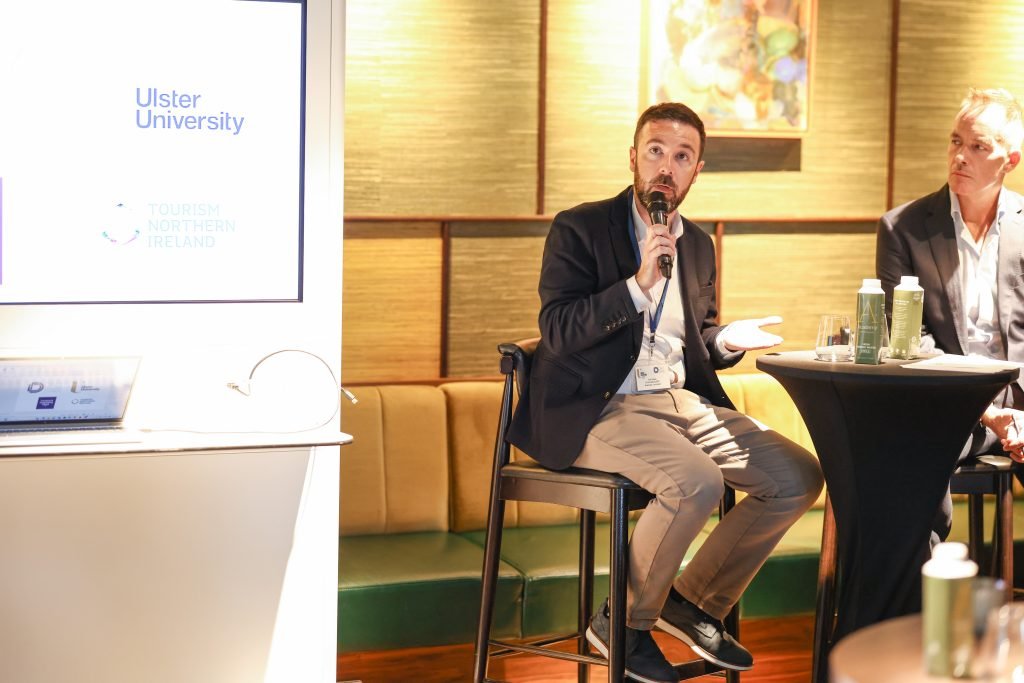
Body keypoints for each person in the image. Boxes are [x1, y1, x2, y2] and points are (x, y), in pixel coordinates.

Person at [507, 101, 824, 682]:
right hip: (594, 406)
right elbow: (558, 330)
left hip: (680, 402)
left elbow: (696, 337)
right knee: (696, 481)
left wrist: (727, 340)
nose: (665, 167)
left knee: (797, 476)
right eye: (655, 151)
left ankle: (692, 601)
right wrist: (637, 285)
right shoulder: (580, 228)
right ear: (633, 156)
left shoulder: (697, 244)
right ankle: (623, 623)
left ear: (696, 170)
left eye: (681, 156)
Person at [876, 87, 1024, 545]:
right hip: (949, 403)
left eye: (978, 146)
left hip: (1021, 399)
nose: (960, 156)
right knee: (915, 454)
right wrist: (988, 412)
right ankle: (926, 585)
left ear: (1010, 160)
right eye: (956, 141)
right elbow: (910, 342)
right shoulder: (903, 228)